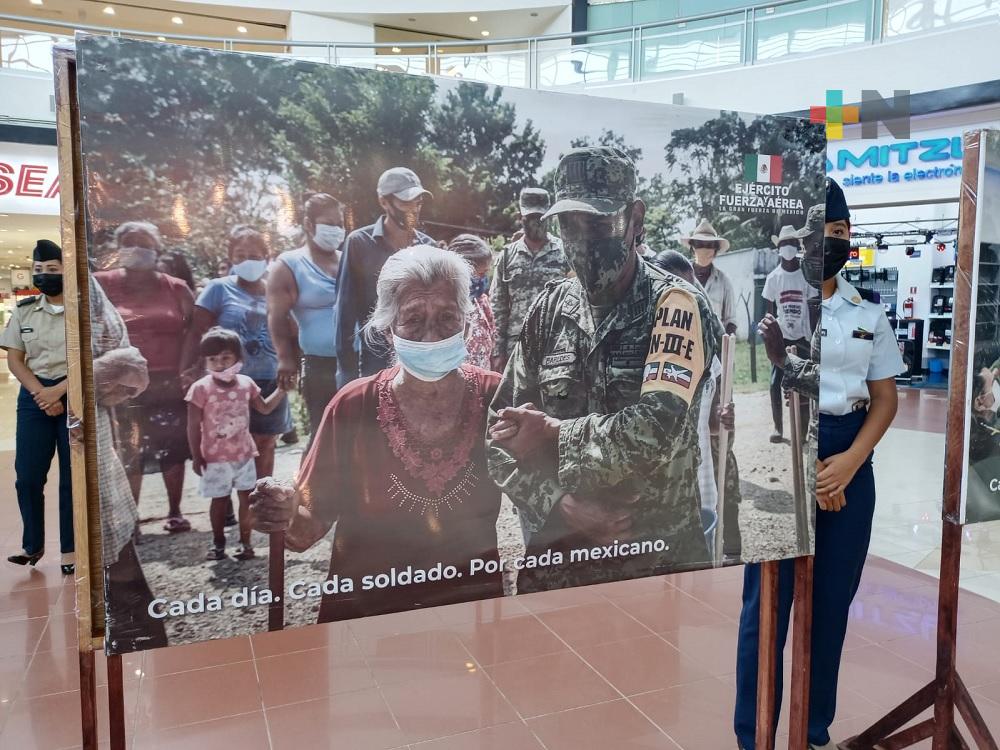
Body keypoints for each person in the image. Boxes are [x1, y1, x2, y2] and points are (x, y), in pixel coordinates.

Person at [485, 147, 720, 593]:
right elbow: (497, 437)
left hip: (655, 563)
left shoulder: (675, 305)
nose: (582, 240)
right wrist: (561, 502)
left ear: (635, 219)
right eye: (568, 224)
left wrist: (552, 433)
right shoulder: (548, 309)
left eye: (598, 222)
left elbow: (655, 430)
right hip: (559, 562)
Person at [734, 180, 904, 750]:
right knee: (766, 612)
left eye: (840, 232)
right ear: (801, 242)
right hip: (785, 450)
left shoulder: (867, 313)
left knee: (830, 607)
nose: (832, 242)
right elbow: (776, 385)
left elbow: (885, 399)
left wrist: (850, 463)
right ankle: (754, 735)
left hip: (850, 458)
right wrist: (810, 468)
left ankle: (812, 730)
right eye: (821, 234)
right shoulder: (784, 305)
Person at [250, 246, 503, 621]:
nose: (431, 335)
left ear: (466, 324)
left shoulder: (495, 397)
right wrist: (283, 512)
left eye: (447, 317)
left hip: (470, 606)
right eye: (413, 319)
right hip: (367, 613)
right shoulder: (353, 406)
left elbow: (542, 490)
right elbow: (304, 532)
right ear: (388, 330)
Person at [95, 221, 195, 534]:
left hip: (168, 380)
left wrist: (187, 369)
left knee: (172, 447)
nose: (136, 247)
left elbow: (193, 330)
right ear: (118, 247)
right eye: (129, 241)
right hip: (121, 384)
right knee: (129, 448)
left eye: (144, 242)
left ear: (157, 248)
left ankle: (175, 511)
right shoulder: (102, 284)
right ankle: (131, 519)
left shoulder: (176, 287)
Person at [86, 275, 168, 649]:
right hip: (50, 429)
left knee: (112, 551)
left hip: (93, 441)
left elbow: (127, 366)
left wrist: (97, 377)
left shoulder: (86, 287)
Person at [651, 248, 742, 559]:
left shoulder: (707, 354)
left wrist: (722, 420)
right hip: (653, 499)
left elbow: (710, 426)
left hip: (698, 491)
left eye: (690, 291)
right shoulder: (641, 352)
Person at [184, 225, 292, 483]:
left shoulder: (276, 291)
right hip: (228, 382)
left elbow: (289, 331)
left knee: (266, 441)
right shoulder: (218, 288)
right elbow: (197, 333)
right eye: (241, 254)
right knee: (227, 441)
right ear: (230, 257)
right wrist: (189, 370)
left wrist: (291, 365)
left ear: (267, 257)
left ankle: (262, 496)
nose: (248, 261)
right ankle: (226, 502)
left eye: (255, 255)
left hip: (270, 377)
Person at [3, 240, 74, 574]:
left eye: (52, 270)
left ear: (66, 270)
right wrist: (41, 394)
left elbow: (91, 358)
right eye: (39, 270)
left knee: (72, 480)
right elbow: (15, 359)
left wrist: (60, 391)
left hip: (74, 392)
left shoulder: (82, 309)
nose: (44, 275)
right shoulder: (24, 310)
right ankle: (32, 545)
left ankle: (72, 551)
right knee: (27, 477)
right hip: (34, 398)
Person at [186, 328, 288, 560]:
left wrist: (281, 391)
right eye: (213, 359)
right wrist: (196, 455)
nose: (220, 364)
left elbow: (264, 408)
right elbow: (192, 426)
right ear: (205, 361)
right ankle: (218, 543)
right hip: (213, 458)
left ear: (238, 358)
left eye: (225, 358)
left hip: (244, 454)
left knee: (246, 499)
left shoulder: (246, 384)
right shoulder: (200, 388)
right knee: (219, 501)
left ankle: (246, 543)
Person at [335, 167, 435, 387]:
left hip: (421, 360)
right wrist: (347, 376)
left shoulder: (429, 247)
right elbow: (344, 314)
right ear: (384, 202)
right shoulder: (359, 243)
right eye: (405, 202)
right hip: (375, 362)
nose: (413, 209)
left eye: (418, 202)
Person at [268, 193, 344, 438]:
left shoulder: (348, 260)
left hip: (356, 361)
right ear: (309, 224)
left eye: (340, 224)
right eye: (329, 223)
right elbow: (277, 316)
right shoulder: (289, 264)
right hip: (320, 366)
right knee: (324, 436)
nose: (336, 229)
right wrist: (285, 358)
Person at [489, 187, 569, 373]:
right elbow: (498, 307)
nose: (536, 223)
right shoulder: (507, 256)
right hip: (516, 347)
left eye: (541, 218)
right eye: (530, 218)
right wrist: (497, 351)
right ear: (520, 217)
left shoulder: (565, 252)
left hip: (557, 345)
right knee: (517, 401)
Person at [762, 224, 818, 443]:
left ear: (798, 247)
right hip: (782, 338)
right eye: (784, 244)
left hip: (803, 338)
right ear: (779, 248)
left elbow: (813, 309)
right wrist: (770, 337)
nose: (788, 248)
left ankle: (802, 433)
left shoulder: (807, 276)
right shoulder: (773, 278)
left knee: (803, 384)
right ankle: (778, 428)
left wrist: (813, 337)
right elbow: (769, 311)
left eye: (792, 244)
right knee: (775, 384)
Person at [447, 233, 496, 370]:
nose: (484, 279)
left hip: (481, 380)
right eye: (480, 274)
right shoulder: (443, 307)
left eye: (486, 273)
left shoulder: (482, 302)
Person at [681, 218, 738, 335]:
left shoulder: (724, 282)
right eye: (700, 244)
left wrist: (724, 344)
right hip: (686, 343)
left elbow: (731, 321)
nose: (704, 249)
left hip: (714, 345)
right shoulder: (682, 278)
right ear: (693, 248)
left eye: (709, 246)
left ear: (716, 250)